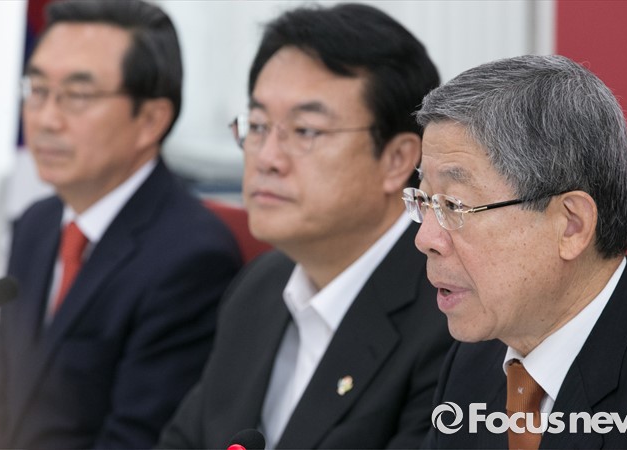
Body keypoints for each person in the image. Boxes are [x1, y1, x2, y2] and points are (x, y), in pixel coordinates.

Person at [157, 3, 454, 449]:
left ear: (397, 159)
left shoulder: (450, 317)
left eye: (306, 131)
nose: (267, 158)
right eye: (258, 125)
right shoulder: (258, 287)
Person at [0, 1, 242, 448]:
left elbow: (137, 440)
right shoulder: (37, 224)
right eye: (37, 89)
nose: (45, 118)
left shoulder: (192, 259)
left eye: (77, 96)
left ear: (150, 120)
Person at [407, 54, 627, 449]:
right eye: (425, 201)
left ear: (571, 225)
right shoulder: (472, 362)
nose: (425, 238)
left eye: (454, 205)